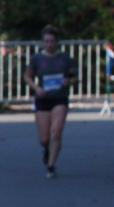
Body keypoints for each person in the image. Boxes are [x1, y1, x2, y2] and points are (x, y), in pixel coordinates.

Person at [25, 26, 76, 177]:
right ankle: (47, 149)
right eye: (46, 41)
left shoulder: (65, 58)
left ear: (57, 42)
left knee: (56, 132)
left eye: (52, 41)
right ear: (43, 42)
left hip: (59, 98)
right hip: (43, 99)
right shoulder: (37, 58)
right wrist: (36, 88)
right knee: (44, 138)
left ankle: (51, 166)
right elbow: (27, 76)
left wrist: (69, 81)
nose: (49, 44)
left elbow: (75, 76)